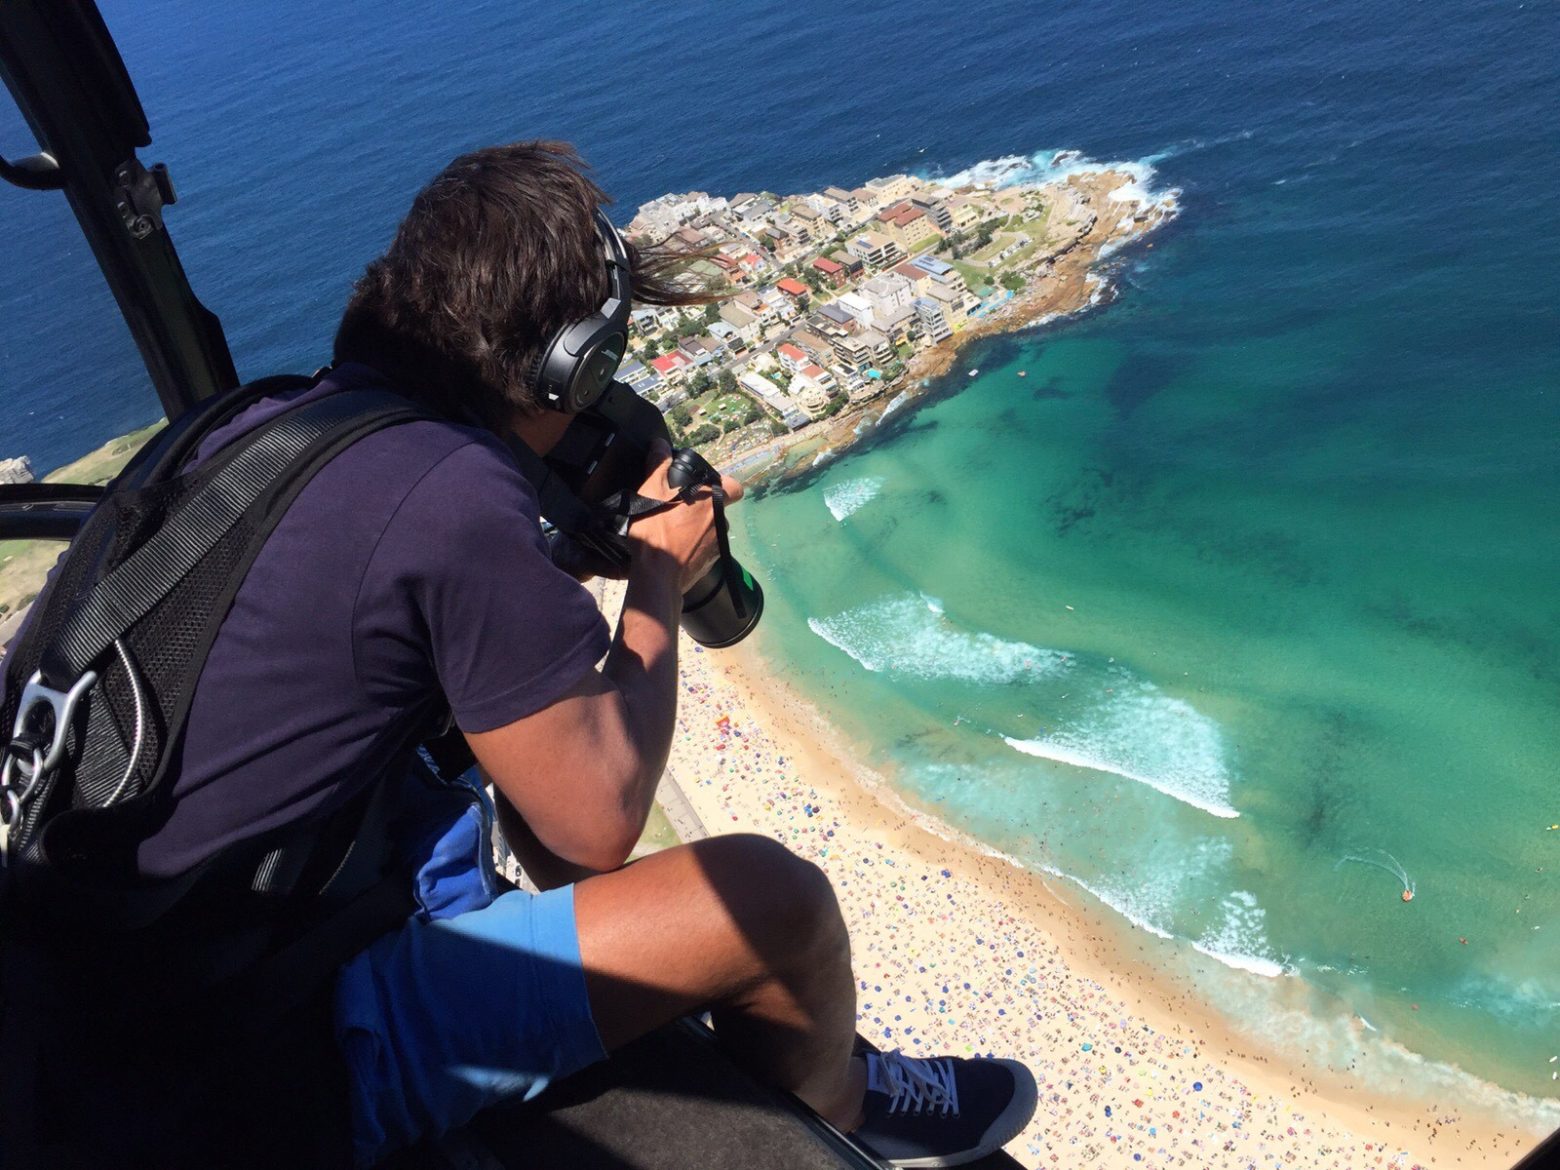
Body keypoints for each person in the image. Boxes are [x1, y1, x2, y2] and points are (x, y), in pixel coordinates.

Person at [10, 141, 1038, 1168]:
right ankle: (850, 1106)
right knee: (775, 903)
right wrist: (653, 574)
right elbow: (585, 838)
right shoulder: (447, 497)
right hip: (243, 1063)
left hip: (91, 984)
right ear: (572, 368)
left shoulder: (257, 423)